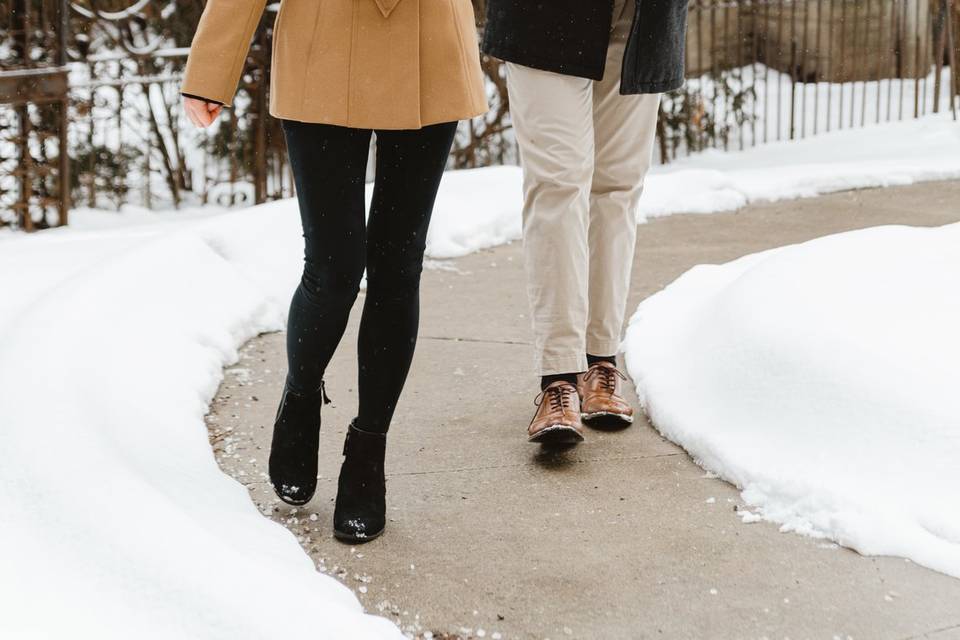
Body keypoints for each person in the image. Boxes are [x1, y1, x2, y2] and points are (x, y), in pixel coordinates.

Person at [182, 0, 487, 542]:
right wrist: (212, 69)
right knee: (334, 268)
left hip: (429, 43)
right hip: (322, 39)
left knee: (397, 267)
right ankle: (300, 396)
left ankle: (369, 447)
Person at [481, 0, 689, 443]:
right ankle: (558, 377)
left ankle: (601, 362)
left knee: (618, 189)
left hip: (643, 17)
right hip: (543, 16)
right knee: (558, 184)